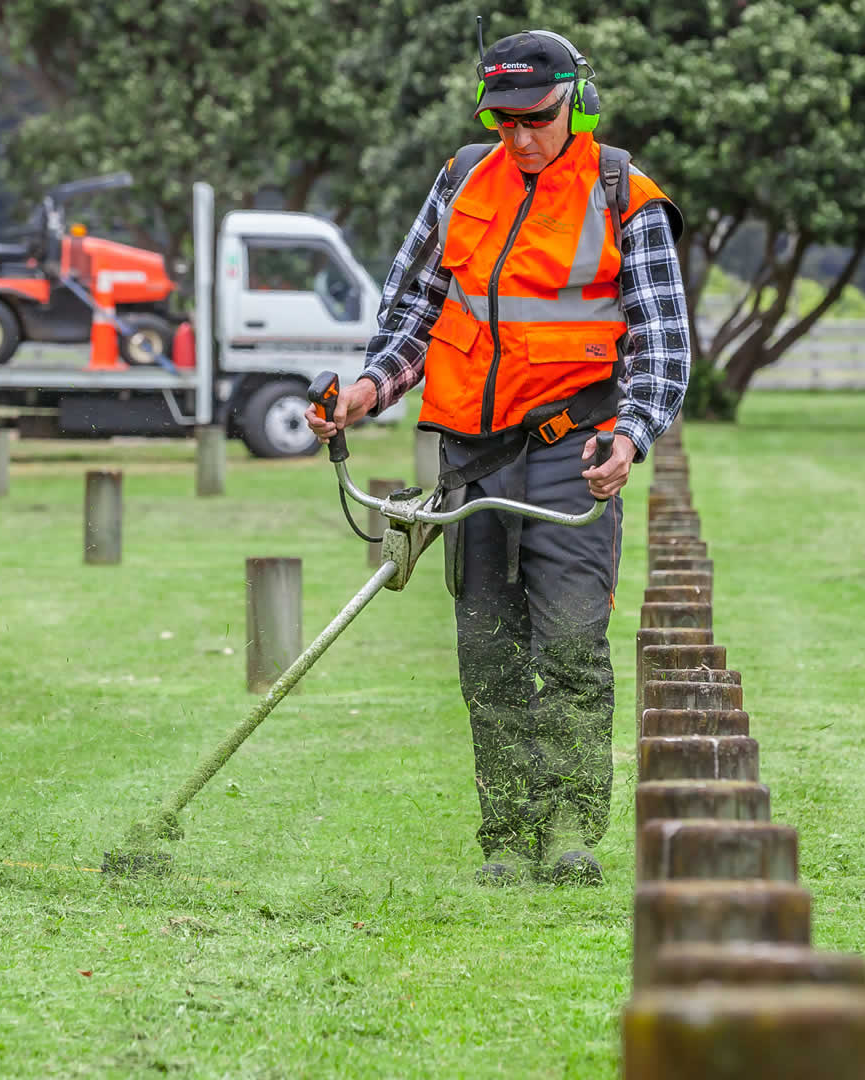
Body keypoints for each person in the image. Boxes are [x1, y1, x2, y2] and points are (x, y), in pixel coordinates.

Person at [307, 28, 690, 886]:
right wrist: (370, 388)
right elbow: (416, 310)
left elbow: (662, 347)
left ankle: (569, 831)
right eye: (504, 120)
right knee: (489, 653)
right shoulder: (459, 183)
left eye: (537, 119)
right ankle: (508, 839)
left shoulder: (623, 194)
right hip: (473, 459)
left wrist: (628, 435)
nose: (519, 138)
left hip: (571, 450)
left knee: (570, 647)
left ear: (575, 104)